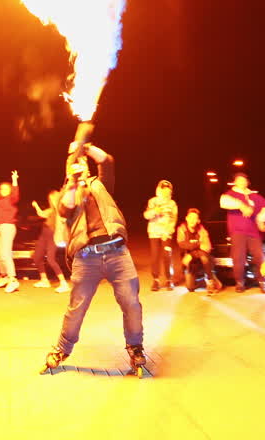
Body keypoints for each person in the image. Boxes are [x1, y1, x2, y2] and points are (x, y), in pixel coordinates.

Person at [42, 141, 146, 375]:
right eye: (76, 162)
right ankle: (62, 349)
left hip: (117, 252)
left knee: (131, 302)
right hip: (86, 258)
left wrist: (86, 147)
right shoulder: (67, 192)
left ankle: (135, 347)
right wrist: (72, 181)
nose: (81, 164)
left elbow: (107, 161)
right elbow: (65, 208)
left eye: (83, 162)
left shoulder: (100, 184)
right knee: (76, 308)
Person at [220, 171, 265, 293]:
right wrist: (241, 205)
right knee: (238, 257)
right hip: (237, 231)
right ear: (234, 182)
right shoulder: (230, 194)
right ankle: (240, 282)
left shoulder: (254, 196)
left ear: (247, 182)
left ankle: (263, 281)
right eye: (238, 179)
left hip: (254, 232)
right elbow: (223, 201)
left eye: (244, 180)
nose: (241, 181)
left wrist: (261, 219)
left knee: (260, 257)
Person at [176, 207, 222, 294]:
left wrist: (191, 254)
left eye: (195, 218)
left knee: (204, 257)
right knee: (190, 288)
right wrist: (198, 245)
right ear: (186, 218)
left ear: (198, 221)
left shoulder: (202, 230)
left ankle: (210, 281)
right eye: (190, 217)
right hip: (191, 263)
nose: (192, 220)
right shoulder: (181, 229)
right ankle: (203, 280)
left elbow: (207, 247)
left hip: (204, 260)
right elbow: (181, 244)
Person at [30, 190, 69, 293]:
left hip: (53, 235)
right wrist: (36, 206)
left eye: (54, 197)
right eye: (50, 198)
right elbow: (41, 214)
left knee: (51, 259)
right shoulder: (51, 210)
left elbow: (64, 220)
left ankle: (64, 283)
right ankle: (44, 280)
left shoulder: (62, 211)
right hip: (44, 234)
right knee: (37, 257)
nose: (52, 199)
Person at [144, 180, 179, 291]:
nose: (165, 192)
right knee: (155, 256)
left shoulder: (172, 203)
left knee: (167, 255)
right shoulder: (152, 201)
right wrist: (155, 211)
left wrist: (168, 231)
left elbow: (174, 219)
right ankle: (156, 280)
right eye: (163, 190)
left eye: (168, 190)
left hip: (166, 233)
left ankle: (169, 279)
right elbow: (146, 215)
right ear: (159, 189)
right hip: (154, 232)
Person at [0, 171, 21, 293]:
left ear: (10, 190)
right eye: (1, 189)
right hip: (0, 229)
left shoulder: (11, 199)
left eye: (6, 188)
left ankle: (13, 279)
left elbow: (15, 194)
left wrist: (14, 180)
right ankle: (3, 276)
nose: (3, 190)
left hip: (7, 227)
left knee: (5, 253)